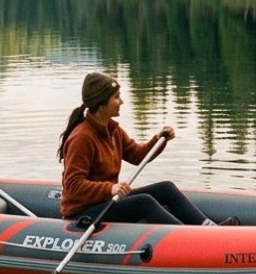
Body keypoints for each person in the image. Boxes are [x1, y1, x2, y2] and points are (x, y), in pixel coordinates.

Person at [58, 72, 233, 226]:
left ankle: (209, 230)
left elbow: (138, 155)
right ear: (101, 105)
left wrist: (159, 139)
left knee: (166, 188)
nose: (121, 102)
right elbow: (74, 186)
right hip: (84, 211)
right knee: (143, 202)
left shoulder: (112, 130)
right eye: (116, 97)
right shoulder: (82, 137)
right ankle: (191, 239)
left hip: (107, 201)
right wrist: (109, 189)